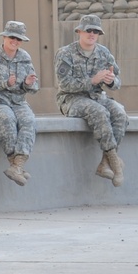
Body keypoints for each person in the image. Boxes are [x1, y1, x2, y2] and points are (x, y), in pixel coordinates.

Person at [55, 14, 128, 187]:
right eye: (88, 30)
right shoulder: (65, 53)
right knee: (98, 111)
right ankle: (115, 164)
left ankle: (104, 163)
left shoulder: (103, 53)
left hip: (97, 97)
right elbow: (64, 84)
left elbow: (117, 82)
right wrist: (92, 81)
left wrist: (110, 80)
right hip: (71, 99)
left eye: (96, 31)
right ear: (79, 31)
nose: (92, 34)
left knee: (120, 112)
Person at [0, 21, 39, 186]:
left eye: (19, 39)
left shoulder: (24, 57)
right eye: (12, 37)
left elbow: (34, 86)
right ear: (4, 37)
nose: (15, 41)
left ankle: (18, 165)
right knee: (7, 118)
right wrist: (5, 83)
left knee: (29, 120)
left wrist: (28, 84)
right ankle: (14, 164)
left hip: (18, 101)